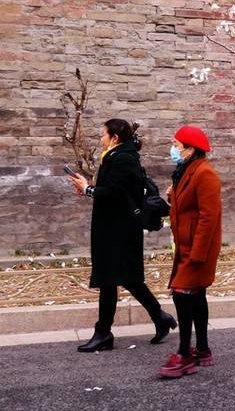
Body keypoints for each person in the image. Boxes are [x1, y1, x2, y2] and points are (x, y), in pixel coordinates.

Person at [67, 119, 176, 352]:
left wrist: (88, 189)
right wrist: (89, 188)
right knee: (127, 277)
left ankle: (103, 333)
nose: (101, 139)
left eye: (103, 135)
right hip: (116, 227)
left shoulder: (124, 158)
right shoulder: (117, 156)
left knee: (111, 278)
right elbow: (116, 189)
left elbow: (116, 193)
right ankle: (160, 317)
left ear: (114, 138)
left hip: (119, 229)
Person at [157, 126, 223, 379]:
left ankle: (184, 354)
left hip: (198, 249)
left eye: (176, 144)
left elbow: (209, 218)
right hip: (186, 245)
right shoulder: (186, 171)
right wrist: (173, 198)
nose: (173, 148)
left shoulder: (205, 173)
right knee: (196, 296)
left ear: (190, 148)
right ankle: (203, 349)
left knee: (182, 295)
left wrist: (197, 254)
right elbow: (190, 208)